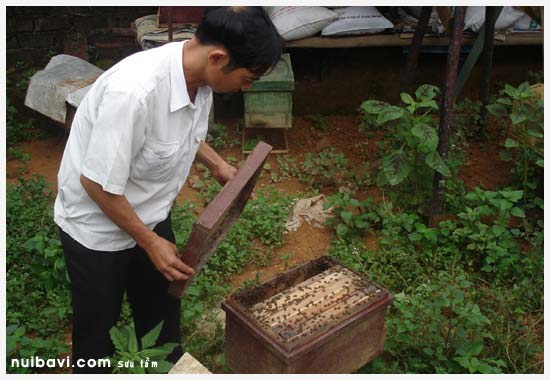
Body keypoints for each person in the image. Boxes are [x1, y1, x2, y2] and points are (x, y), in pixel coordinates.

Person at [54, 6, 283, 373]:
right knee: (97, 336)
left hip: (150, 212)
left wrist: (217, 164)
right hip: (96, 228)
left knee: (162, 313)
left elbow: (178, 132)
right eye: (247, 78)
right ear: (218, 57)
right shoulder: (133, 93)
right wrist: (149, 241)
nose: (247, 88)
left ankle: (164, 365)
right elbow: (95, 182)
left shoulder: (199, 78)